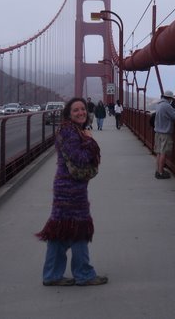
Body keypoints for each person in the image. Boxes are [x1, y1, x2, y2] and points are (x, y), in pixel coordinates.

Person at [36, 97, 108, 287]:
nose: (80, 112)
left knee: (60, 231)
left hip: (68, 187)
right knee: (79, 229)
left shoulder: (72, 130)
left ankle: (52, 275)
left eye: (83, 109)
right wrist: (91, 142)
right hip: (71, 189)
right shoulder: (70, 132)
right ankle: (83, 274)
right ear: (68, 113)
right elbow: (81, 159)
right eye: (76, 110)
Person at [153, 90, 175, 179]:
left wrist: (174, 107)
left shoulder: (158, 104)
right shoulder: (166, 106)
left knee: (158, 152)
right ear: (169, 98)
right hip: (165, 132)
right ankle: (161, 173)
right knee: (163, 153)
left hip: (158, 131)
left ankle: (158, 171)